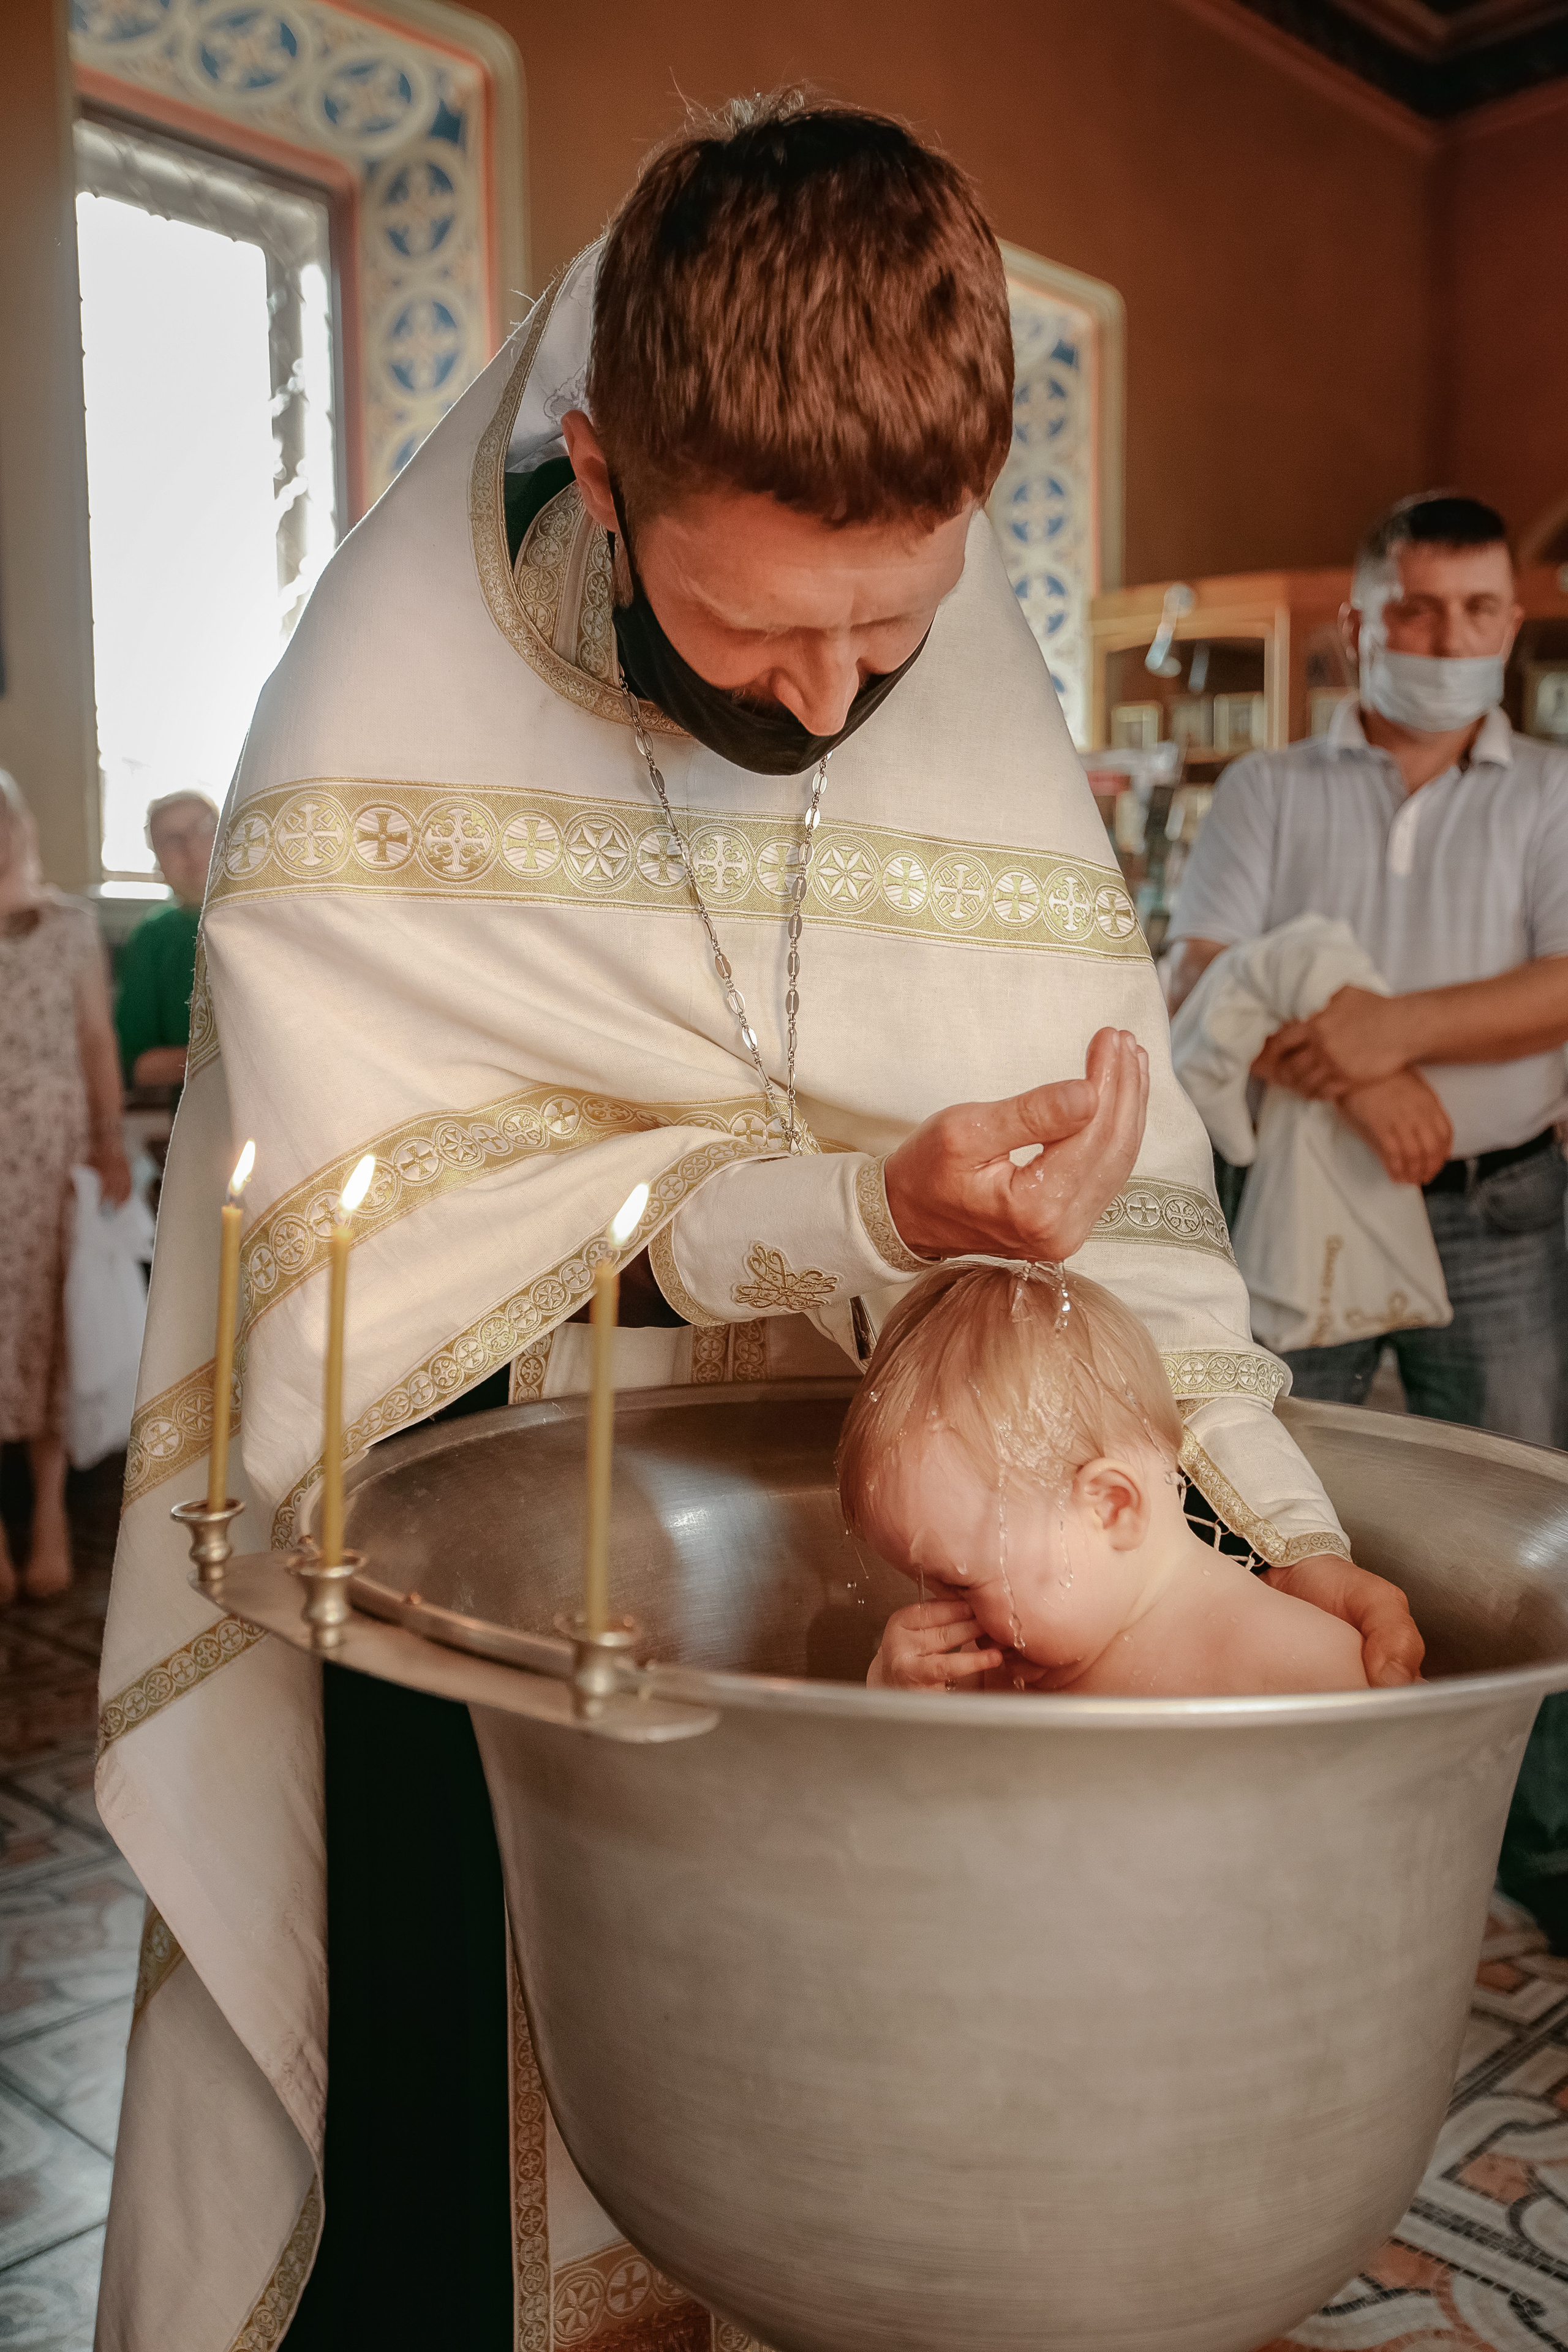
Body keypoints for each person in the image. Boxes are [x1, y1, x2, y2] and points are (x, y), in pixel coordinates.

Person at [96, 99, 1420, 2350]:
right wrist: (850, 1202)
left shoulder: (957, 687)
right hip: (485, 1603)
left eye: (884, 632)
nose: (826, 706)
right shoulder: (370, 716)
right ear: (602, 473)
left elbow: (1144, 1215)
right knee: (459, 2204)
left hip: (875, 1593)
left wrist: (1281, 1531)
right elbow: (369, 1271)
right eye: (756, 632)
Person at [1162, 488, 1568, 1944]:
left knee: (1527, 1535)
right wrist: (1361, 1088)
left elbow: (1559, 978)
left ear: (1507, 626)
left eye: (1473, 612)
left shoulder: (1549, 793)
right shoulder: (1269, 788)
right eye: (1412, 609)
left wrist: (1386, 1033)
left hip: (1497, 1210)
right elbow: (1207, 976)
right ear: (1356, 623)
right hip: (1291, 1205)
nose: (1442, 638)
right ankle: (1269, 1802)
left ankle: (1539, 1849)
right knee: (1270, 1492)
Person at [842, 1262, 1368, 1696]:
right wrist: (895, 1697)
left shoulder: (1297, 1667)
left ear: (1111, 1507)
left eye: (961, 1583)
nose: (947, 1617)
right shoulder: (999, 1665)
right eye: (930, 1587)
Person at [0, 772, 130, 1604]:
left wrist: (110, 1144)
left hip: (51, 1157)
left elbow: (96, 1043)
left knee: (52, 1325)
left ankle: (48, 1516)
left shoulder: (72, 927)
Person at [114, 790, 218, 1088]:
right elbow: (137, 1065)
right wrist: (224, 1055)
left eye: (203, 829)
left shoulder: (274, 915)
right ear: (158, 863)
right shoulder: (154, 938)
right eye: (173, 840)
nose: (192, 847)